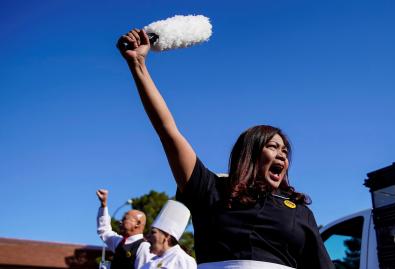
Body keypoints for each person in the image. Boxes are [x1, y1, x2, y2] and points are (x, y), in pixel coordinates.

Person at [117, 29, 334, 269]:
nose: (282, 154)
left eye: (285, 151)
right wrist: (138, 65)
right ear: (249, 154)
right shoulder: (210, 190)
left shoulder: (299, 211)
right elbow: (168, 131)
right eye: (273, 146)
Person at [96, 189, 154, 269]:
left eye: (124, 219)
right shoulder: (119, 242)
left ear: (137, 223)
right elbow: (104, 230)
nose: (120, 222)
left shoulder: (144, 247)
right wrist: (103, 205)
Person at [141, 200, 196, 269]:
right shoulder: (149, 263)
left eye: (153, 232)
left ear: (167, 236)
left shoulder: (184, 261)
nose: (147, 236)